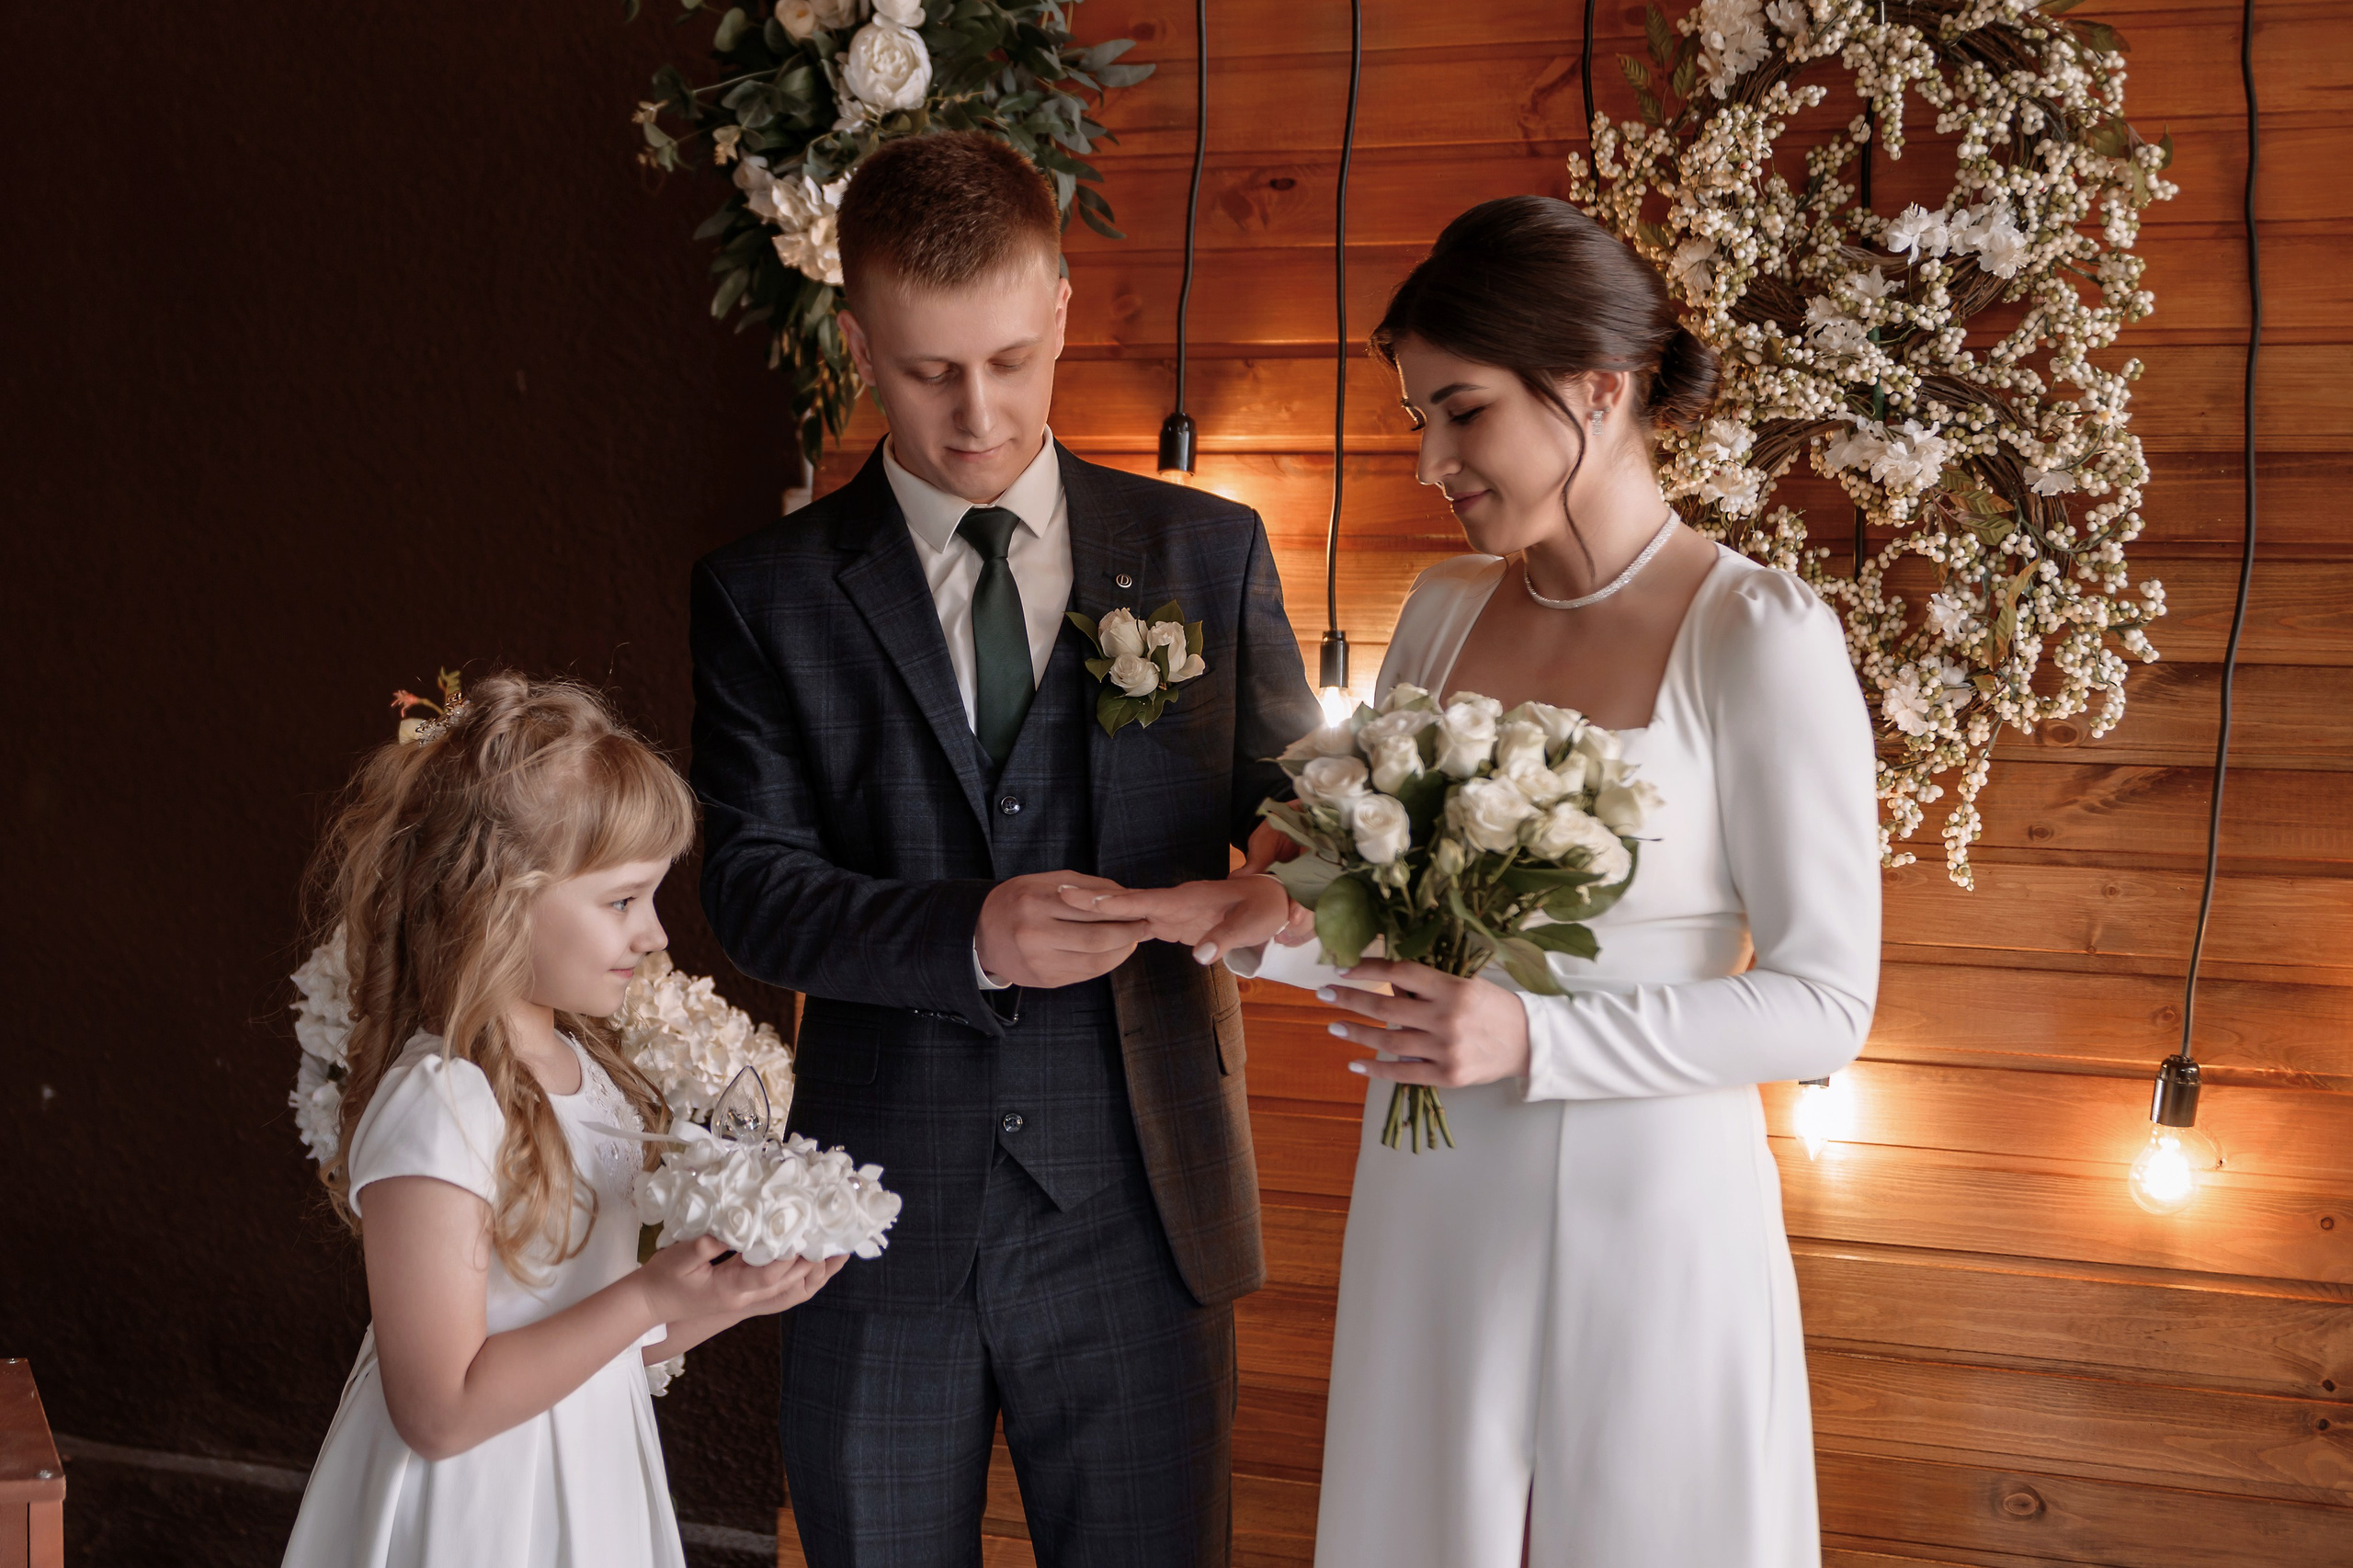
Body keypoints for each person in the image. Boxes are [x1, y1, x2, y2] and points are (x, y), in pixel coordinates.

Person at [688, 131, 1319, 1566]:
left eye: (1011, 359)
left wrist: (1276, 888)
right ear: (857, 340)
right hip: (873, 1219)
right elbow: (753, 890)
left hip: (1144, 1211)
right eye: (926, 371)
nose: (977, 413)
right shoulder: (761, 594)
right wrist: (970, 935)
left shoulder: (1204, 553)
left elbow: (1307, 817)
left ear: (1064, 309)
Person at [1230, 196, 1881, 1565]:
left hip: (1653, 1223)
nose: (1430, 460)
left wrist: (1537, 1035)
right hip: (1435, 1207)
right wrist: (1247, 928)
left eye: (1460, 413)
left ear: (1597, 384)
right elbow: (1377, 914)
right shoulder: (1441, 612)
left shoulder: (1756, 635)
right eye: (1419, 419)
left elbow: (1826, 998)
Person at [282, 674, 842, 1568]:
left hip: (590, 1480)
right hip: (477, 1508)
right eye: (622, 900)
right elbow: (440, 1409)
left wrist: (718, 1298)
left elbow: (606, 1336)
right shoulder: (443, 1098)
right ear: (495, 897)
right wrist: (651, 1292)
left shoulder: (594, 1077)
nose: (656, 933)